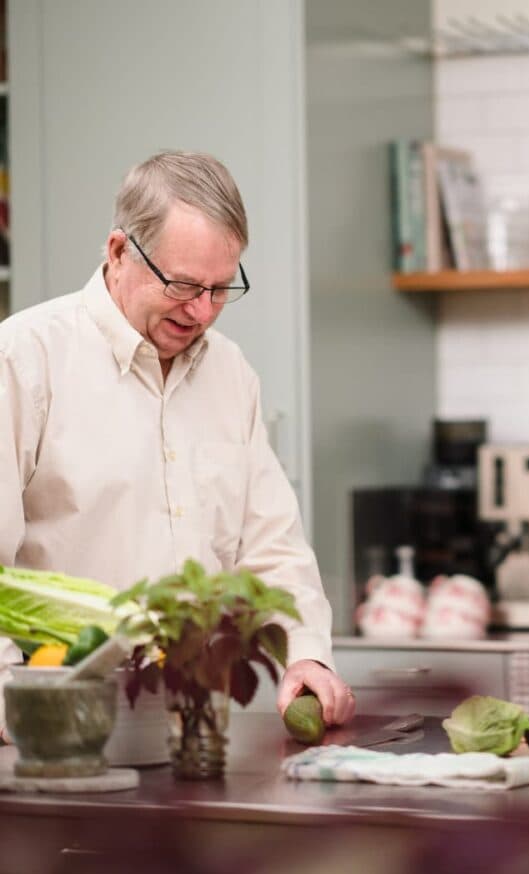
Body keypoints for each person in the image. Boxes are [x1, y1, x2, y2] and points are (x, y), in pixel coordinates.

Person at [0, 151, 355, 740]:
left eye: (221, 288)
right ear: (118, 251)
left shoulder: (230, 373)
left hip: (199, 725)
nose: (202, 311)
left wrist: (307, 653)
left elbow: (271, 547)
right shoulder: (24, 359)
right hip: (55, 731)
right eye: (184, 284)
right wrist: (22, 716)